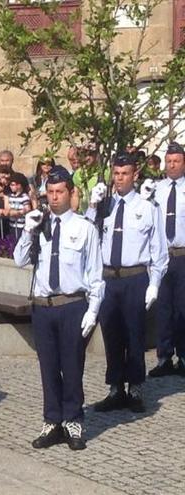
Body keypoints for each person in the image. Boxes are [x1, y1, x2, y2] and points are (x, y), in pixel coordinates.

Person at [13, 167, 104, 451]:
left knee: (72, 365)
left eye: (59, 192)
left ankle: (74, 420)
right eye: (50, 193)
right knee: (48, 366)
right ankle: (52, 420)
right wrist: (28, 231)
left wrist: (93, 310)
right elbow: (18, 260)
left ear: (70, 193)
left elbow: (95, 273)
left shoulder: (84, 228)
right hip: (43, 306)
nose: (54, 198)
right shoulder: (39, 223)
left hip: (71, 305)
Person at [84, 153, 168, 413]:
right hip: (108, 278)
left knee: (135, 334)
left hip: (134, 278)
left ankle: (135, 387)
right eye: (116, 173)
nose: (119, 179)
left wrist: (154, 282)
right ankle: (115, 387)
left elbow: (158, 247)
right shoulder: (105, 204)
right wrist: (92, 206)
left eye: (125, 174)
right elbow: (86, 235)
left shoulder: (147, 206)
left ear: (135, 176)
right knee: (111, 334)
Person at [148, 142, 185, 377]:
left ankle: (183, 357)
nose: (172, 165)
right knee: (162, 308)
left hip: (183, 255)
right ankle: (164, 357)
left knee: (183, 307)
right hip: (161, 257)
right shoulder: (156, 190)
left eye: (177, 161)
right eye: (169, 161)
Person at [2, 172, 32, 238]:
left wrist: (19, 212)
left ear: (19, 185)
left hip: (21, 226)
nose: (10, 186)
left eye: (13, 185)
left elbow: (27, 208)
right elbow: (8, 207)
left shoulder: (24, 197)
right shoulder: (11, 196)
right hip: (12, 225)